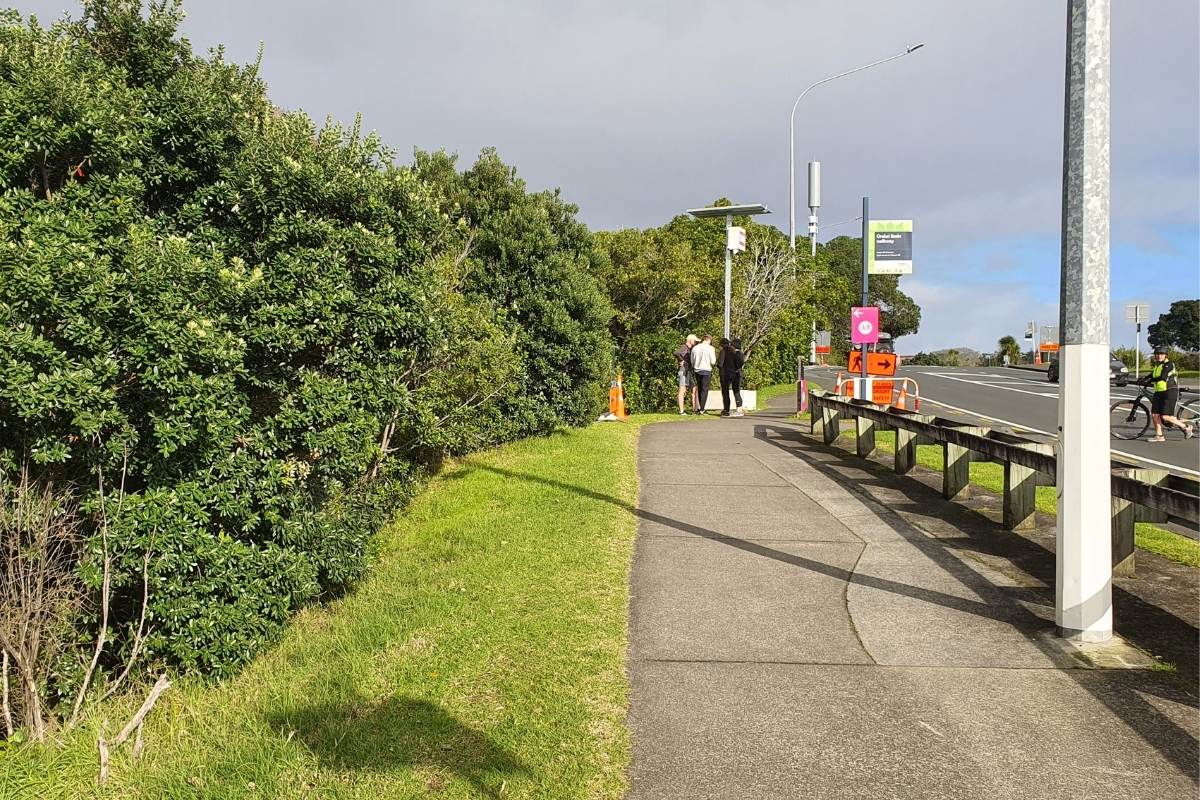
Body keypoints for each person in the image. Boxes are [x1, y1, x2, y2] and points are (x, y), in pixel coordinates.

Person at [1141, 347, 1194, 442]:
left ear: (1165, 355)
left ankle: (1186, 427)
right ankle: (1159, 436)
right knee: (1155, 415)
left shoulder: (1169, 364)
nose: (1159, 356)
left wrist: (1150, 380)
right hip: (1159, 391)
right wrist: (1144, 378)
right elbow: (1153, 374)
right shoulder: (1158, 365)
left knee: (1165, 416)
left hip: (1169, 391)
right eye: (1157, 354)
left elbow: (1162, 377)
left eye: (1161, 354)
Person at [718, 337, 746, 417]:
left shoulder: (725, 351)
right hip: (736, 374)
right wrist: (737, 368)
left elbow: (720, 364)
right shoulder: (737, 353)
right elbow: (741, 363)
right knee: (736, 391)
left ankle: (726, 409)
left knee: (725, 392)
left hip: (726, 374)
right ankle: (739, 408)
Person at [690, 333, 717, 414]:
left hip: (697, 370)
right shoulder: (710, 348)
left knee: (700, 388)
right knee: (705, 390)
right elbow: (713, 361)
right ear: (709, 340)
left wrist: (695, 365)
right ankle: (702, 409)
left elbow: (692, 360)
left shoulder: (695, 348)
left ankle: (699, 407)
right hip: (706, 370)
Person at [674, 334, 698, 415]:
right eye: (695, 341)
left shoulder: (690, 349)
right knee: (682, 389)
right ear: (690, 340)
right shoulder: (684, 347)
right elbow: (676, 353)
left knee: (694, 388)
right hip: (683, 370)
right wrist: (681, 360)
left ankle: (694, 409)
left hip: (689, 371)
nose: (695, 343)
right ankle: (681, 411)